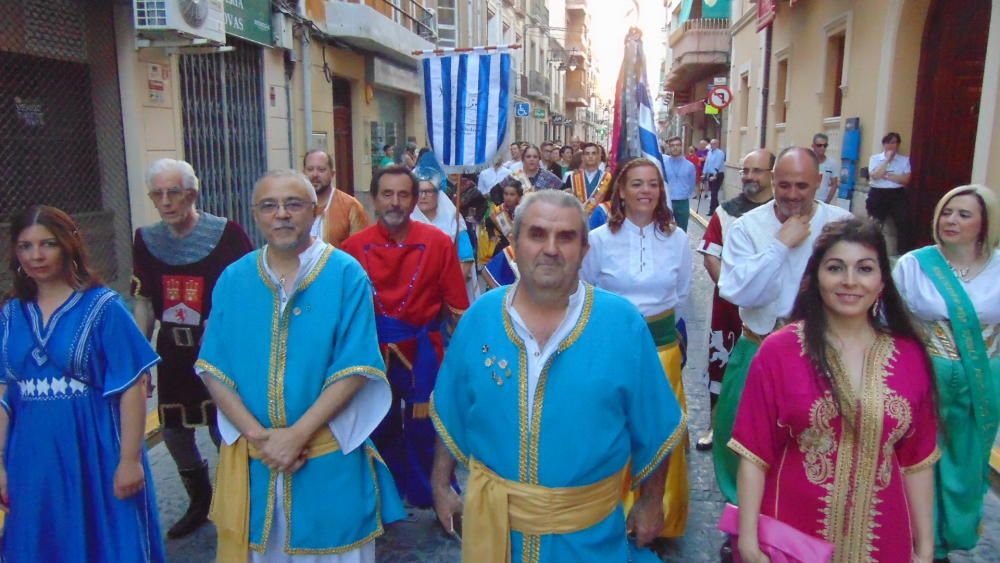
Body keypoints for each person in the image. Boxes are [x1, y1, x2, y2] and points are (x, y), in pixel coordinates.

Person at [430, 190, 686, 562]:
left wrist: (651, 500)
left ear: (584, 249)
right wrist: (440, 484)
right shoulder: (479, 319)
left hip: (589, 537)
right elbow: (450, 409)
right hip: (497, 535)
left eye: (565, 237)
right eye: (536, 234)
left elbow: (656, 424)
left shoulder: (621, 324)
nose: (550, 248)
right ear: (515, 244)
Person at [195, 170, 405, 561]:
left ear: (315, 210)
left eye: (293, 204)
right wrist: (260, 437)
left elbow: (356, 366)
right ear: (255, 214)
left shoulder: (345, 275)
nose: (282, 215)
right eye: (269, 206)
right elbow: (213, 368)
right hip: (256, 465)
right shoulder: (234, 279)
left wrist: (296, 436)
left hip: (327, 462)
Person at [732, 217, 938, 563]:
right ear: (815, 278)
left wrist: (925, 546)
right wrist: (749, 541)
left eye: (865, 269)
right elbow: (754, 453)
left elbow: (917, 461)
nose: (850, 281)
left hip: (884, 539)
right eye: (836, 268)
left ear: (882, 281)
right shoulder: (780, 351)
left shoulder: (910, 357)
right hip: (791, 538)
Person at [1, 206, 165, 561]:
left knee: (104, 543)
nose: (36, 256)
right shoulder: (11, 314)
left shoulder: (103, 306)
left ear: (68, 246)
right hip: (31, 456)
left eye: (47, 244)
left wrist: (129, 460)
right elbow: (4, 393)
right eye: (25, 246)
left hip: (97, 448)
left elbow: (132, 388)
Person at [712, 147, 853, 505]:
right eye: (785, 184)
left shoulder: (842, 225)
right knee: (740, 439)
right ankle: (741, 519)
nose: (792, 194)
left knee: (815, 444)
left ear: (819, 182)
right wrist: (779, 246)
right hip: (758, 347)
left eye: (802, 186)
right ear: (773, 181)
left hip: (824, 352)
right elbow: (739, 291)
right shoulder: (747, 227)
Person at [131, 158, 253, 538]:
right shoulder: (146, 239)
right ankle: (200, 500)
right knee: (174, 431)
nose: (166, 201)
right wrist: (139, 364)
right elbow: (144, 304)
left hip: (219, 350)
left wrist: (223, 328)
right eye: (158, 194)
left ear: (192, 194)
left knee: (225, 429)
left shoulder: (227, 234)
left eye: (174, 192)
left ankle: (239, 503)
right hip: (173, 351)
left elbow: (248, 291)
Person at [341, 165, 470, 508]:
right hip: (371, 354)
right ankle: (384, 499)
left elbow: (458, 308)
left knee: (426, 432)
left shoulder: (439, 243)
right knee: (375, 428)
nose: (395, 202)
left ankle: (435, 498)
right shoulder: (352, 248)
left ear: (414, 200)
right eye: (387, 194)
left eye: (403, 194)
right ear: (373, 200)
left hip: (423, 355)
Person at [580, 158, 692, 538]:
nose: (645, 191)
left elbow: (682, 295)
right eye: (637, 184)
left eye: (653, 184)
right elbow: (587, 290)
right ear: (622, 192)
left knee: (663, 431)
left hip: (662, 352)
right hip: (612, 351)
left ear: (661, 192)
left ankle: (661, 515)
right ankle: (611, 516)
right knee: (614, 430)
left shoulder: (678, 240)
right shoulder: (598, 240)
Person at [893, 184, 1000, 560]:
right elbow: (891, 322)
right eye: (946, 212)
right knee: (922, 459)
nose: (951, 220)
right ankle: (922, 541)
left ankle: (956, 533)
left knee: (968, 461)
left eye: (964, 214)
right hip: (925, 376)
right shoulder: (914, 265)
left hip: (982, 379)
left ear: (986, 224)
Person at [695, 149, 774, 451]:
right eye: (745, 170)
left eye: (757, 171)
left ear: (771, 175)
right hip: (728, 308)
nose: (750, 177)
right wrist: (734, 291)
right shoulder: (725, 211)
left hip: (769, 311)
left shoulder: (781, 212)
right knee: (721, 364)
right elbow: (711, 257)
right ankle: (716, 426)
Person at [412, 170, 478, 303]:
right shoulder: (407, 222)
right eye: (419, 192)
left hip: (447, 295)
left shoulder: (454, 222)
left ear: (438, 194)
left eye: (428, 191)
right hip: (415, 295)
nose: (423, 196)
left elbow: (465, 261)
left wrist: (447, 291)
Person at [303, 149, 371, 246]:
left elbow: (362, 247)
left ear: (332, 174)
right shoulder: (294, 206)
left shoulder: (350, 206)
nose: (315, 175)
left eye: (321, 170)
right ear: (303, 173)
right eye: (310, 169)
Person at [867, 132, 913, 253]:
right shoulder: (875, 158)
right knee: (875, 224)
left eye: (894, 143)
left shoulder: (904, 160)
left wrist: (887, 176)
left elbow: (906, 179)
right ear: (884, 144)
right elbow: (875, 175)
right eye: (889, 142)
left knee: (904, 221)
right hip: (878, 193)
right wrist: (887, 160)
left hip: (896, 194)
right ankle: (872, 250)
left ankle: (902, 252)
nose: (892, 145)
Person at [483, 179, 525, 288]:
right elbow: (488, 223)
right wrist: (492, 236)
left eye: (512, 194)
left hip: (520, 250)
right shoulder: (498, 211)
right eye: (506, 194)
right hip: (502, 249)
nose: (508, 197)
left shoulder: (525, 212)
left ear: (519, 197)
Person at [662, 136, 698, 231]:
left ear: (682, 147)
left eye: (677, 145)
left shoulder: (690, 166)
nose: (675, 148)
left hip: (682, 203)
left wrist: (683, 193)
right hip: (666, 201)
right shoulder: (663, 164)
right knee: (665, 229)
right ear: (669, 147)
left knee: (682, 230)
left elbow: (691, 185)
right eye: (672, 145)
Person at [563, 142, 613, 209]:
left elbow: (611, 202)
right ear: (582, 157)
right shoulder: (572, 178)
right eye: (587, 153)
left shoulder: (607, 178)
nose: (590, 156)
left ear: (599, 157)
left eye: (594, 153)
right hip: (578, 218)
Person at [812, 133, 840, 204]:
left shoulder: (832, 163)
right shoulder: (807, 162)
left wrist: (827, 201)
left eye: (825, 145)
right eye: (819, 145)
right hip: (807, 200)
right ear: (813, 146)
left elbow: (834, 184)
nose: (822, 148)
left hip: (823, 202)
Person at [703, 138, 726, 216]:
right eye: (711, 144)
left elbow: (718, 164)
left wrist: (714, 175)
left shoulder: (720, 153)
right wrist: (704, 173)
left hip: (718, 174)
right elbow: (707, 163)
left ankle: (712, 210)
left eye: (713, 144)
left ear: (717, 144)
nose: (712, 145)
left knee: (713, 193)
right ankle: (718, 209)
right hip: (710, 174)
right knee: (713, 193)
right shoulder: (709, 152)